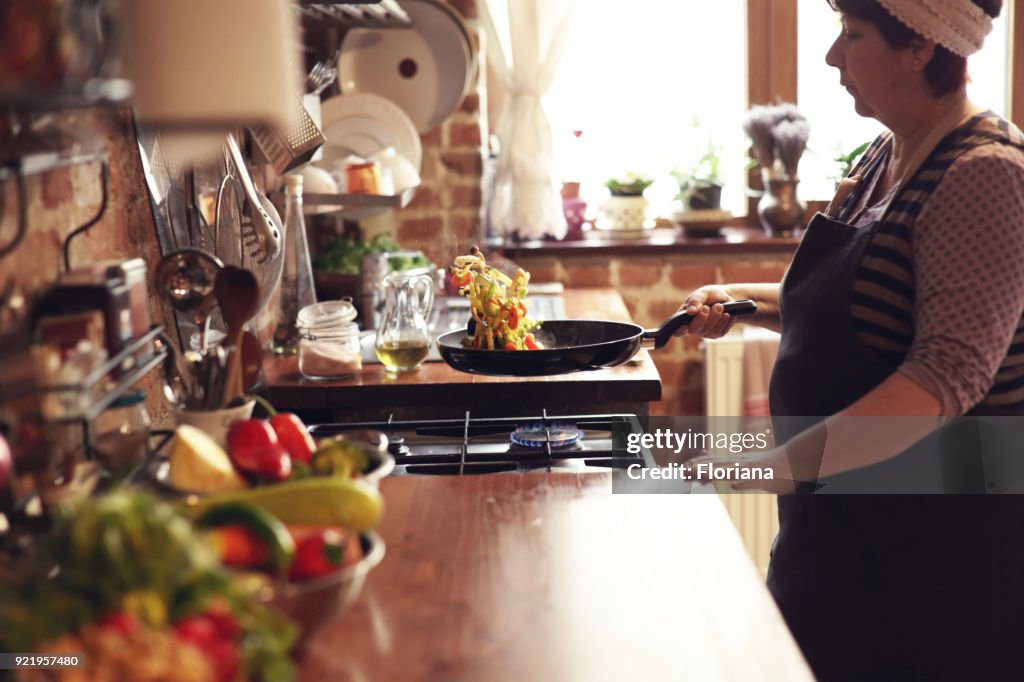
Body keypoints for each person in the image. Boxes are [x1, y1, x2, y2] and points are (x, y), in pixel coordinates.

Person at [678, 1, 1024, 680]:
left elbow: (941, 381)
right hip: (839, 542)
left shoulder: (986, 176)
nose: (833, 56)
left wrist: (771, 465)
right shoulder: (886, 154)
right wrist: (743, 302)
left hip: (935, 574)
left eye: (853, 34)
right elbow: (856, 314)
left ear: (921, 47)